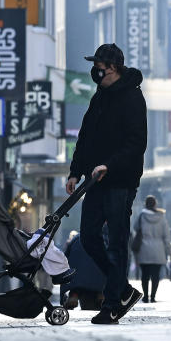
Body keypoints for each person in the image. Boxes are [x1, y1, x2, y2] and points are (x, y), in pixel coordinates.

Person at [66, 43, 147, 325]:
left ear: (112, 68)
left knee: (117, 242)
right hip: (95, 180)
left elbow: (137, 143)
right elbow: (85, 136)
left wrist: (109, 164)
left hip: (120, 181)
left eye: (99, 66)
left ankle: (113, 303)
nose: (95, 71)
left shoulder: (133, 99)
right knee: (88, 236)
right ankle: (122, 289)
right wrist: (76, 171)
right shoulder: (100, 97)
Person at [133, 195, 171, 304]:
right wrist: (170, 252)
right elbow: (167, 236)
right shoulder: (162, 217)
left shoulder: (142, 215)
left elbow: (135, 227)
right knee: (156, 275)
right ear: (155, 204)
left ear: (145, 204)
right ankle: (153, 296)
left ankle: (146, 296)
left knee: (145, 275)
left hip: (144, 249)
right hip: (158, 250)